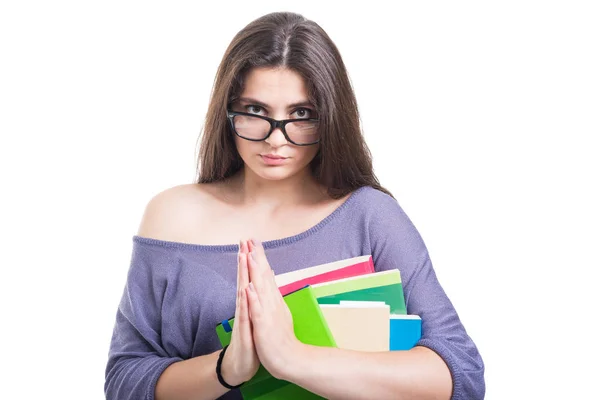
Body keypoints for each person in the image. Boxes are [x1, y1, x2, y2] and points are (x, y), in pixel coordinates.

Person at [104, 11, 485, 400]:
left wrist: (293, 358)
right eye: (255, 111)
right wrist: (226, 368)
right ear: (227, 111)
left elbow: (461, 373)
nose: (275, 140)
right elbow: (124, 381)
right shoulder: (172, 214)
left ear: (331, 118)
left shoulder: (369, 216)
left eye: (301, 115)